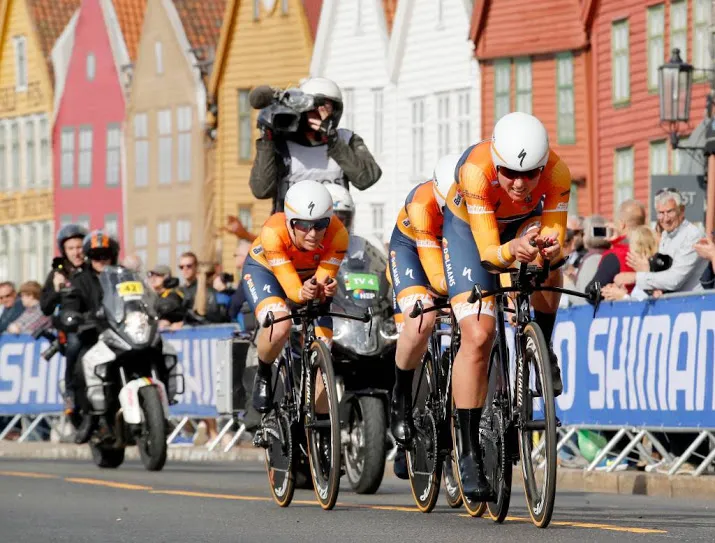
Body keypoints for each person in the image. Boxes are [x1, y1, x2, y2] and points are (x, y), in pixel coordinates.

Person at [442, 112, 569, 500]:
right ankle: (466, 453)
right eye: (509, 172)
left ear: (543, 166)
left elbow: (556, 237)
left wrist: (544, 248)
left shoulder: (558, 174)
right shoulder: (477, 172)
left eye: (530, 174)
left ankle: (542, 347)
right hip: (471, 229)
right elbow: (488, 253)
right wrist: (512, 250)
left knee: (549, 265)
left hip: (521, 221)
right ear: (496, 162)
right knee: (479, 335)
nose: (519, 182)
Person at [240, 180, 348, 413]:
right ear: (290, 222)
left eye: (320, 225)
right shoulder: (273, 231)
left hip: (307, 275)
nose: (312, 234)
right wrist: (303, 292)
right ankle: (264, 372)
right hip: (267, 273)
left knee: (324, 353)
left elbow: (321, 282)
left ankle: (320, 433)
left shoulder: (338, 233)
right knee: (280, 324)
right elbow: (292, 290)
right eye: (303, 226)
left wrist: (326, 287)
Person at [385, 153, 461, 446]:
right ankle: (402, 396)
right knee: (422, 319)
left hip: (455, 246)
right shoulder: (422, 203)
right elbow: (434, 270)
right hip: (413, 254)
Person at [249, 77, 382, 213]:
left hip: (332, 226)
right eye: (312, 106)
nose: (318, 111)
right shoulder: (283, 144)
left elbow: (367, 179)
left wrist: (333, 140)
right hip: (290, 228)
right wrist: (266, 140)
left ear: (335, 110)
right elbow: (261, 190)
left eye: (324, 106)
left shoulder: (346, 140)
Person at [63, 230, 121, 444]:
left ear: (113, 255)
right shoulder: (80, 280)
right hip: (94, 334)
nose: (101, 260)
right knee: (82, 363)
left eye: (105, 254)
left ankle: (159, 411)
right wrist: (72, 314)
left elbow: (140, 296)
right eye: (96, 255)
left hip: (122, 332)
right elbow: (71, 302)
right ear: (89, 257)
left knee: (159, 347)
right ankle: (89, 414)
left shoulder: (122, 274)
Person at [614, 189, 707, 293]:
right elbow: (661, 275)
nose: (666, 218)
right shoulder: (665, 235)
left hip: (694, 304)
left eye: (670, 211)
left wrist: (636, 276)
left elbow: (675, 280)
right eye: (661, 213)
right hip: (675, 304)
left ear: (681, 210)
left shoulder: (692, 235)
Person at [584, 200, 646, 297]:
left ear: (622, 224)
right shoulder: (653, 247)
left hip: (623, 309)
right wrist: (616, 241)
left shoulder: (615, 255)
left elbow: (592, 292)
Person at [601, 226, 659, 301]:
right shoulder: (646, 277)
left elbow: (643, 308)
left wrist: (622, 296)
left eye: (631, 249)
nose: (629, 253)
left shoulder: (653, 279)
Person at [147, 264, 186, 329]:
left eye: (158, 275)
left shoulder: (172, 295)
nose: (153, 278)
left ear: (167, 278)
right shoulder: (154, 295)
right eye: (151, 275)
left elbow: (167, 311)